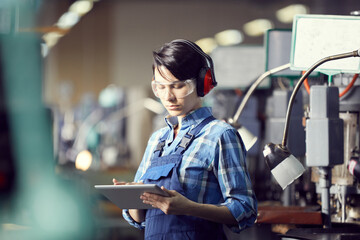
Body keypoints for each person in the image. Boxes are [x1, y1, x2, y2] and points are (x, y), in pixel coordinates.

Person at [113, 39, 257, 240]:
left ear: (201, 83)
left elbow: (245, 209)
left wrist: (190, 208)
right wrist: (133, 201)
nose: (168, 97)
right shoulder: (157, 140)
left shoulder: (220, 135)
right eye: (160, 87)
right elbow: (138, 220)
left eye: (178, 86)